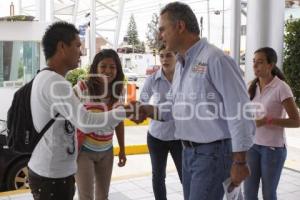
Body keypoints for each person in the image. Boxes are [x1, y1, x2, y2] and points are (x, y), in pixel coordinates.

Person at [134, 2, 255, 200]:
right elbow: (173, 108)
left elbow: (240, 110)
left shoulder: (215, 59)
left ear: (180, 26)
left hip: (213, 154)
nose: (159, 35)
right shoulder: (183, 64)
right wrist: (147, 110)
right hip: (188, 153)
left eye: (163, 29)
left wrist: (240, 161)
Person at [27, 21, 132, 200]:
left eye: (113, 67)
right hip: (54, 173)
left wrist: (121, 146)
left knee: (101, 195)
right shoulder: (58, 83)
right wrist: (126, 111)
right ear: (62, 47)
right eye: (77, 46)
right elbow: (85, 121)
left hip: (57, 170)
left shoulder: (48, 78)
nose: (81, 52)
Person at [243, 47, 300, 200]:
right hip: (252, 146)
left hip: (273, 149)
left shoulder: (282, 88)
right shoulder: (251, 86)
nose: (255, 66)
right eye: (254, 62)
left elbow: (296, 121)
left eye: (260, 62)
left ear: (271, 65)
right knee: (248, 193)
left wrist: (267, 120)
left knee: (268, 194)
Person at [73, 49, 126, 200]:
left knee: (103, 196)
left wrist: (122, 149)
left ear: (117, 70)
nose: (108, 70)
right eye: (103, 66)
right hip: (84, 152)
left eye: (112, 67)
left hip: (106, 152)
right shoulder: (83, 88)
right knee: (86, 197)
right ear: (96, 67)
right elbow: (67, 113)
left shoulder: (119, 91)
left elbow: (119, 122)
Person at [140, 44, 182, 200]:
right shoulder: (152, 79)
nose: (164, 59)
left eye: (169, 55)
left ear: (176, 56)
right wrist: (149, 110)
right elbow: (142, 101)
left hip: (179, 137)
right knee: (158, 176)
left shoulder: (183, 77)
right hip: (156, 136)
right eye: (162, 55)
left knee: (186, 176)